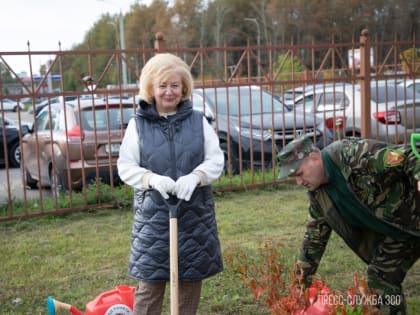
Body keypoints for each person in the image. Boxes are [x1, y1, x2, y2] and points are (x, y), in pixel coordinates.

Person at [117, 53, 224, 315]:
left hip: (193, 217)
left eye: (175, 85)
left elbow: (215, 160)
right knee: (149, 289)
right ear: (151, 88)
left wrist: (197, 176)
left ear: (184, 87)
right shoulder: (137, 125)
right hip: (153, 220)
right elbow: (126, 166)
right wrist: (150, 179)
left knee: (189, 285)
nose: (169, 92)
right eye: (162, 85)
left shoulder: (198, 121)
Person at [277, 136, 420, 315]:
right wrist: (299, 287)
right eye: (294, 177)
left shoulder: (353, 154)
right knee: (381, 276)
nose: (298, 182)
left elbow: (408, 156)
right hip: (401, 235)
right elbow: (314, 240)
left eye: (299, 173)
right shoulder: (319, 197)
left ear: (314, 157)